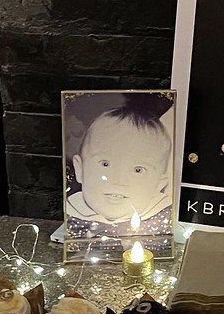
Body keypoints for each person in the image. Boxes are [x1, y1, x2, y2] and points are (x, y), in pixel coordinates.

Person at [65, 93, 174, 241]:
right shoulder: (71, 214)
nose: (118, 180)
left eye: (138, 169)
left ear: (160, 184)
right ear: (80, 170)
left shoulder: (164, 217)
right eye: (105, 164)